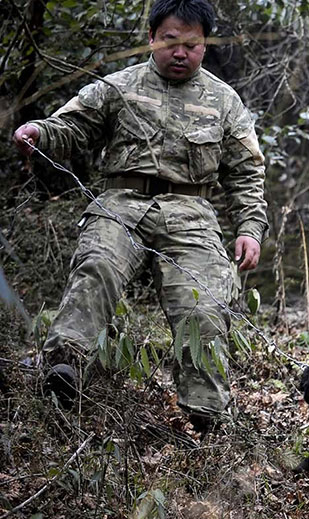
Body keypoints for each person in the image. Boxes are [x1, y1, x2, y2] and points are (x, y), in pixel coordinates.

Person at [11, 0, 267, 433]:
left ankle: (206, 412)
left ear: (205, 46)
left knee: (202, 303)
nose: (181, 52)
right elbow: (73, 127)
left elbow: (246, 172)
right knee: (97, 266)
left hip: (191, 214)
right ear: (152, 38)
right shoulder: (117, 86)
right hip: (121, 202)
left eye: (193, 44)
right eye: (170, 40)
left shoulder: (225, 101)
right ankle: (64, 368)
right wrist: (39, 131)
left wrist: (250, 230)